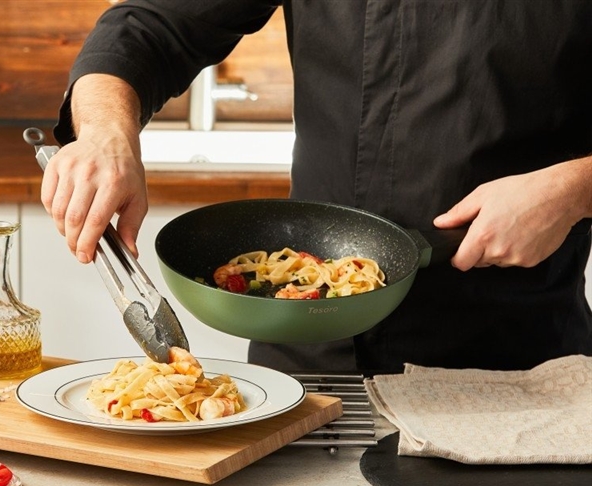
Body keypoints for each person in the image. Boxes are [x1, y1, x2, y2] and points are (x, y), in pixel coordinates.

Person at [40, 0, 592, 374]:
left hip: (515, 359)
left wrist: (573, 188)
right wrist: (106, 132)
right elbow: (150, 26)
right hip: (305, 358)